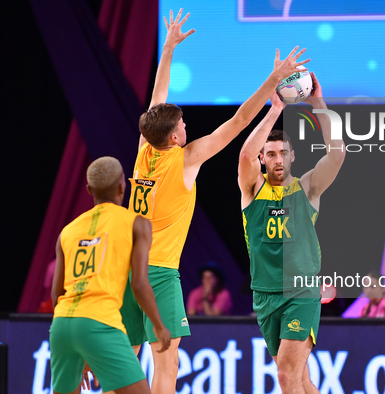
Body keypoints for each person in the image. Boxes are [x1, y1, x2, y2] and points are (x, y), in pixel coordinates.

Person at [118, 8, 310, 394]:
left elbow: (157, 99)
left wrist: (168, 49)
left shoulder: (144, 150)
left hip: (125, 268)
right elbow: (238, 121)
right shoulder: (185, 160)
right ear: (173, 137)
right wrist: (273, 80)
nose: (187, 127)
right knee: (166, 365)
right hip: (156, 273)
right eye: (183, 125)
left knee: (124, 363)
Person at [238, 73, 345, 394]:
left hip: (301, 292)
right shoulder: (252, 190)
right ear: (262, 159)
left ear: (293, 156)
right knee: (300, 379)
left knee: (286, 375)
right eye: (270, 154)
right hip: (265, 294)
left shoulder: (308, 187)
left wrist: (317, 103)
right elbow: (244, 156)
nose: (278, 159)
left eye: (283, 152)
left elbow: (337, 154)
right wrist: (274, 109)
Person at [50, 157, 171, 394]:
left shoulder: (68, 231)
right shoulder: (136, 223)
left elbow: (57, 294)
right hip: (99, 322)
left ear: (89, 190)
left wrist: (79, 345)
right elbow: (139, 283)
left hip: (62, 326)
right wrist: (158, 326)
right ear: (122, 187)